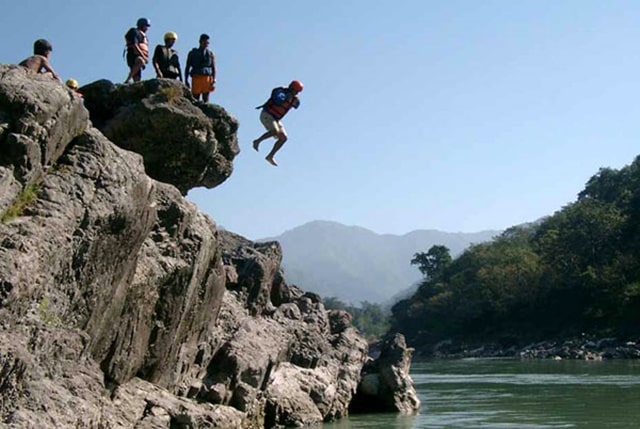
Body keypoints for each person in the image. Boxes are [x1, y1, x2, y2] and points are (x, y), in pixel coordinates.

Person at [252, 80, 303, 166]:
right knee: (276, 131)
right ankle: (257, 141)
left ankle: (270, 156)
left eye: (298, 92)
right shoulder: (280, 92)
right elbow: (278, 100)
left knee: (283, 138)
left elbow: (297, 105)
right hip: (267, 114)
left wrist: (292, 99)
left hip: (276, 119)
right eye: (296, 91)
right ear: (291, 88)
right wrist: (287, 97)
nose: (296, 93)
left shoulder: (294, 99)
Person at [185, 34, 216, 102]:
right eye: (204, 42)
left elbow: (213, 67)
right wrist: (186, 80)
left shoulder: (210, 54)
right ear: (200, 41)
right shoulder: (192, 53)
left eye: (207, 43)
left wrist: (214, 79)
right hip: (196, 77)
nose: (206, 44)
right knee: (195, 98)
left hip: (206, 77)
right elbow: (187, 67)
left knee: (206, 98)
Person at [124, 17, 151, 83]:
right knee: (140, 61)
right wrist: (143, 57)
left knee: (137, 78)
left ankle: (134, 87)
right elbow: (134, 45)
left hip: (140, 55)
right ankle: (127, 80)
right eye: (146, 26)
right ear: (141, 25)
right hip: (133, 55)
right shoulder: (134, 31)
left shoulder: (144, 36)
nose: (147, 28)